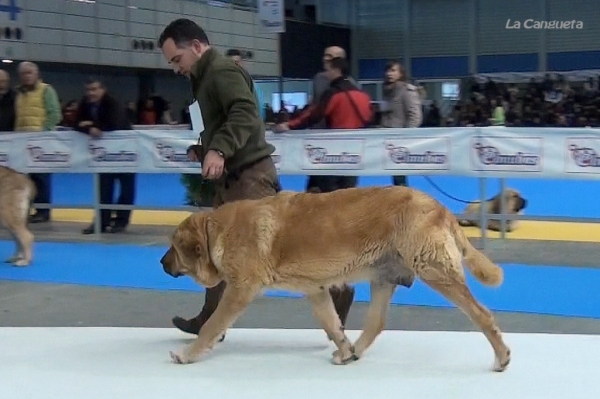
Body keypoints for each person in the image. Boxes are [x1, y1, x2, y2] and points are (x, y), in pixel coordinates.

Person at [157, 18, 281, 338]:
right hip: (234, 178)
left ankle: (338, 293)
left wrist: (220, 150)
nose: (175, 68)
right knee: (216, 252)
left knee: (283, 251)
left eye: (176, 59)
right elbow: (223, 119)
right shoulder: (203, 75)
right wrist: (205, 148)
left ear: (196, 46)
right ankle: (211, 322)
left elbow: (244, 112)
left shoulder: (221, 71)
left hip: (249, 178)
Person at [74, 77, 136, 234]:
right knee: (104, 188)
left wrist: (91, 125)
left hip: (125, 151)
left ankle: (121, 222)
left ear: (102, 89)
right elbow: (75, 123)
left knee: (126, 189)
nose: (91, 93)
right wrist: (89, 129)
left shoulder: (113, 103)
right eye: (88, 90)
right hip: (103, 154)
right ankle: (101, 222)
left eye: (94, 89)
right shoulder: (85, 103)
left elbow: (113, 123)